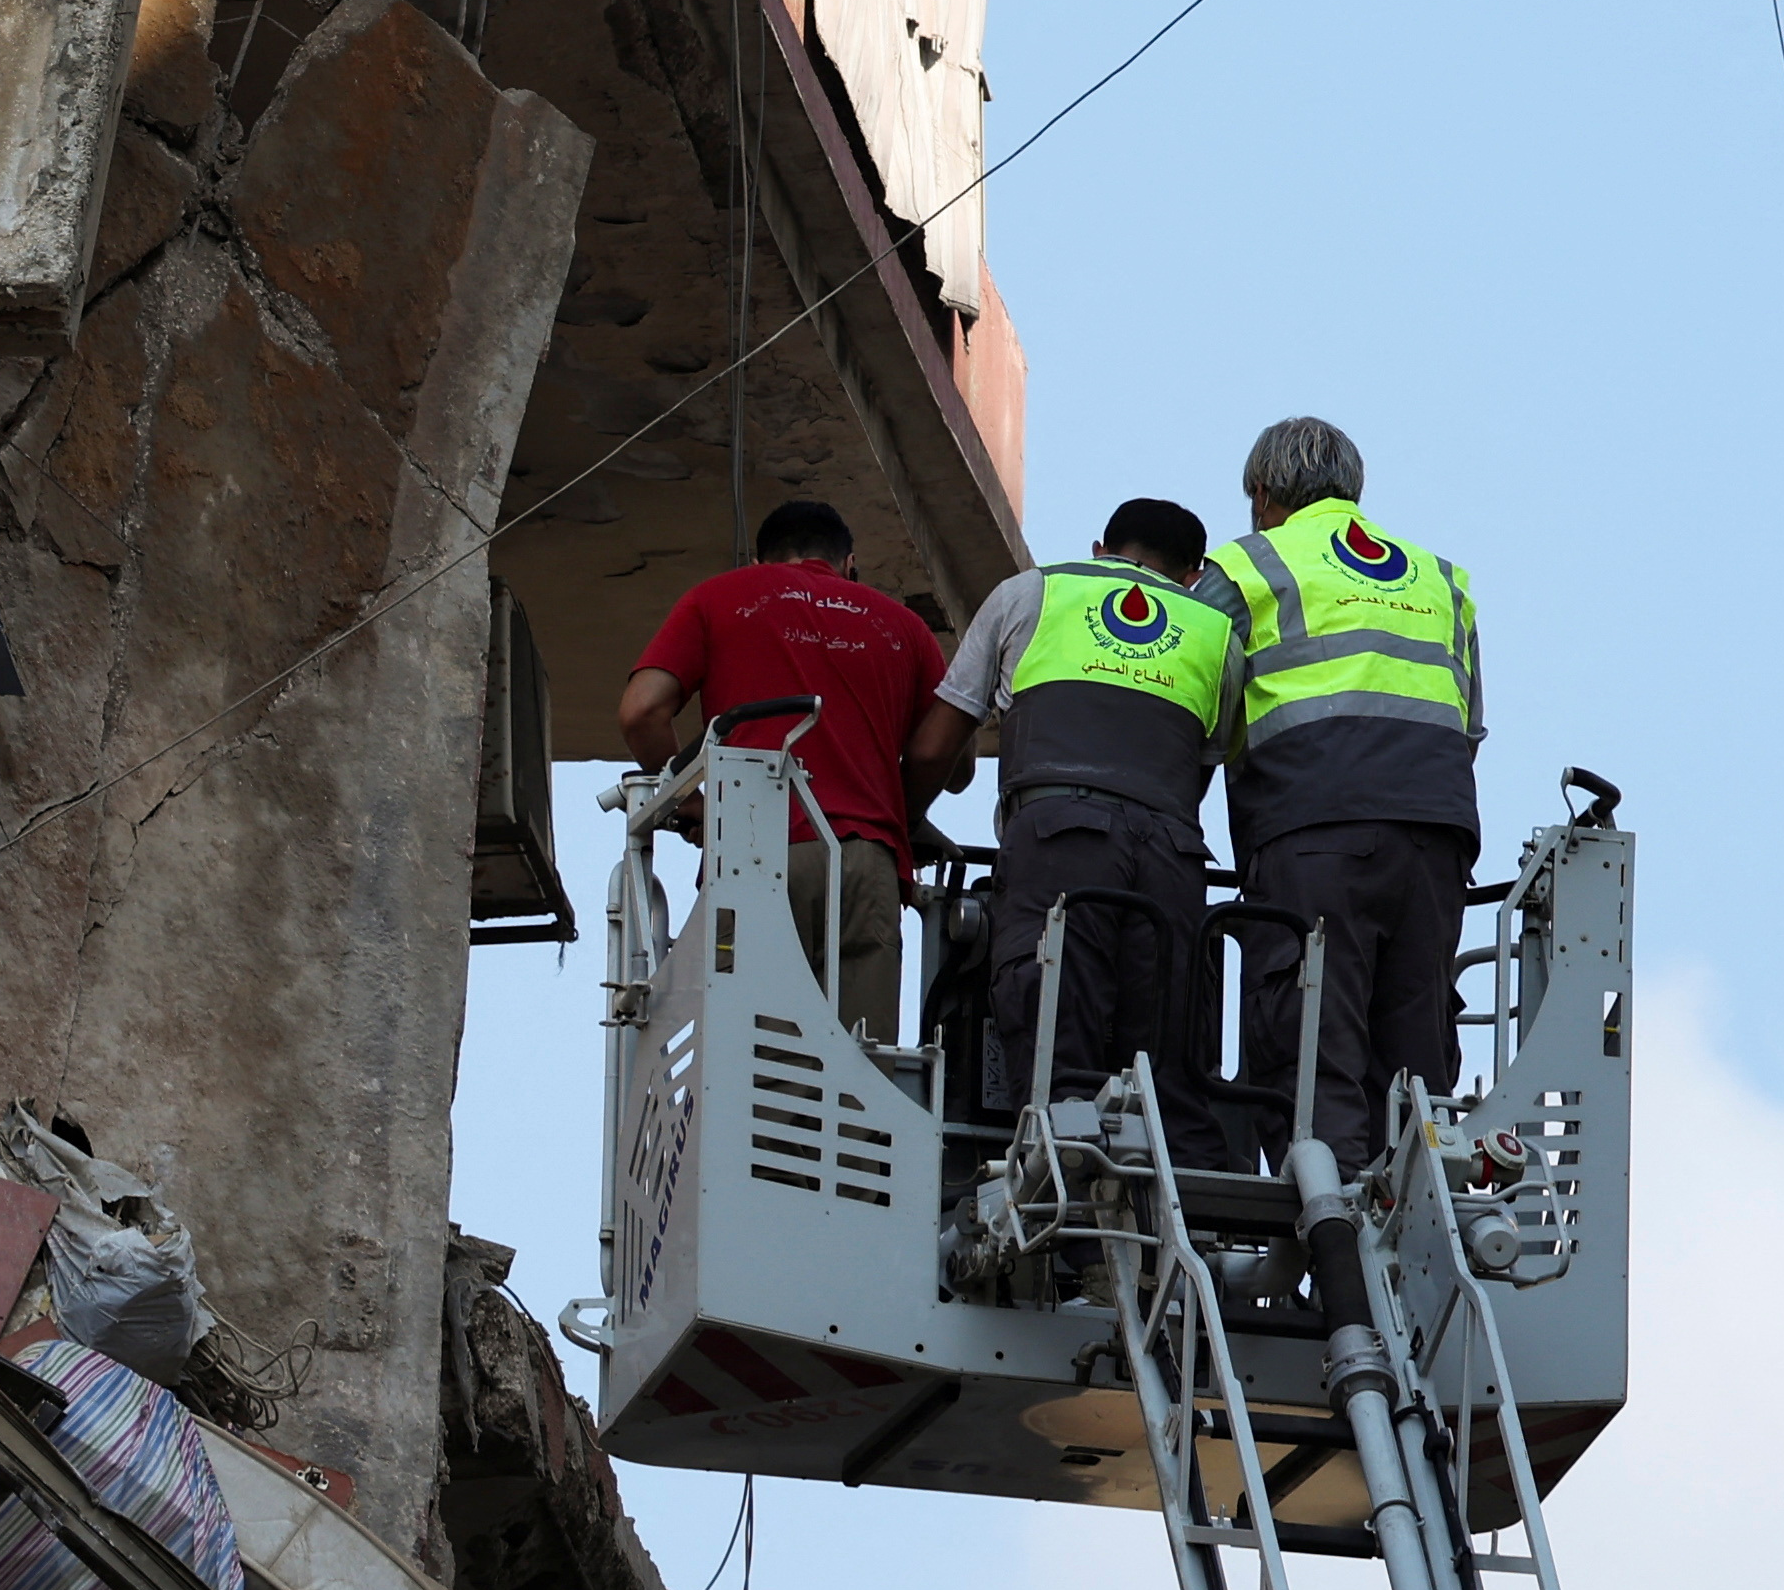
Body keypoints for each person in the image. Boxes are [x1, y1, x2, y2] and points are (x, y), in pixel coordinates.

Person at [902, 497, 1235, 1151]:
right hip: (1170, 853)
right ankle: (1173, 1182)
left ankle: (1064, 1165)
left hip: (1058, 837)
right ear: (1194, 575)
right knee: (1163, 1045)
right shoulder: (1217, 633)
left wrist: (907, 823)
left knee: (1056, 1023)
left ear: (1099, 551)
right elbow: (1195, 776)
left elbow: (934, 748)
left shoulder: (1031, 594)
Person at [1204, 416, 1480, 1167]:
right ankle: (1413, 1205)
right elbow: (1468, 726)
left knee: (1309, 1024)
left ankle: (1332, 1216)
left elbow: (1190, 707)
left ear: (1263, 494)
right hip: (1437, 836)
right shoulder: (1441, 578)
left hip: (1311, 828)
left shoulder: (1244, 567)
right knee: (1414, 1037)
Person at [614, 500, 953, 1038]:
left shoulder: (719, 598)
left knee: (753, 1068)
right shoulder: (905, 629)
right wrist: (897, 811)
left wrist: (694, 803)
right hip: (867, 864)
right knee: (862, 1071)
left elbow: (641, 711)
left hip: (753, 847)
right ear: (850, 563)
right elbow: (951, 764)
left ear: (759, 562)